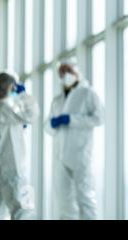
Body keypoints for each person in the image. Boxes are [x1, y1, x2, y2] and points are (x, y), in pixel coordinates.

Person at [45, 60, 105, 220]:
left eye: (69, 70)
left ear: (77, 72)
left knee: (85, 198)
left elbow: (99, 118)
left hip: (81, 155)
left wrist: (72, 119)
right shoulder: (58, 100)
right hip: (61, 156)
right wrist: (52, 124)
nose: (65, 75)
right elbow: (48, 127)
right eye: (62, 72)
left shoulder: (88, 93)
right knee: (64, 201)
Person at [0, 72, 39, 220]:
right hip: (12, 170)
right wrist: (23, 96)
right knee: (24, 212)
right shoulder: (3, 108)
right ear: (10, 86)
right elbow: (32, 115)